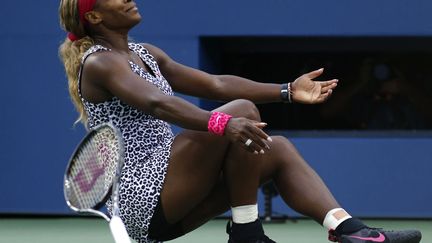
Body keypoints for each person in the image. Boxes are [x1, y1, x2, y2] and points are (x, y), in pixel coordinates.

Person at [58, 0, 422, 242]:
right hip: (142, 198)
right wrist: (221, 124)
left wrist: (287, 91)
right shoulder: (100, 62)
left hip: (174, 198)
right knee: (241, 112)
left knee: (277, 149)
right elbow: (158, 104)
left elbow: (216, 84)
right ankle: (247, 231)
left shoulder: (145, 53)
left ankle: (350, 231)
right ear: (94, 17)